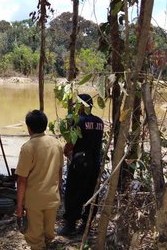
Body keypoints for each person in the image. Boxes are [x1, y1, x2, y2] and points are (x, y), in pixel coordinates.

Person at [15, 110, 64, 250]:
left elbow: (22, 180)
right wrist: (58, 191)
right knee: (49, 234)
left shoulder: (28, 148)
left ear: (29, 128)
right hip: (52, 197)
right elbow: (59, 171)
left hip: (34, 200)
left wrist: (19, 206)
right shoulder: (56, 144)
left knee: (35, 238)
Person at [58, 93, 104, 236]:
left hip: (79, 163)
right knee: (91, 192)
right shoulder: (99, 122)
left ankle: (70, 224)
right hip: (95, 163)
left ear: (81, 106)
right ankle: (86, 224)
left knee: (73, 192)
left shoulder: (79, 121)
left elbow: (71, 144)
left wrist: (66, 152)